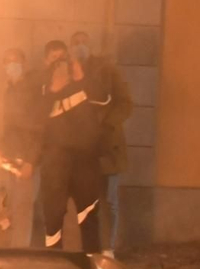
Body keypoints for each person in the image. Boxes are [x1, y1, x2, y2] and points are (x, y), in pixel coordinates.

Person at [38, 39, 110, 253]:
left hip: (84, 163)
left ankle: (93, 264)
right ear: (45, 62)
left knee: (88, 214)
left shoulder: (84, 83)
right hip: (54, 163)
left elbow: (105, 99)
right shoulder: (40, 87)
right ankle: (54, 264)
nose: (59, 64)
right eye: (54, 60)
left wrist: (80, 77)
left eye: (63, 59)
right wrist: (53, 90)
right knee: (53, 217)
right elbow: (32, 118)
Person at [70, 31, 134, 254]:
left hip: (108, 148)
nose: (80, 46)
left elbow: (125, 103)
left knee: (109, 201)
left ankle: (109, 249)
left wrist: (105, 124)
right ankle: (89, 248)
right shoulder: (70, 73)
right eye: (75, 43)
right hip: (81, 149)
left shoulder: (107, 71)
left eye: (83, 42)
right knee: (87, 201)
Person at [0, 47, 43, 248]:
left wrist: (31, 162)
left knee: (23, 209)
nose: (11, 66)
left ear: (23, 65)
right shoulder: (10, 90)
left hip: (26, 159)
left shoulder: (32, 92)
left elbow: (40, 130)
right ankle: (15, 249)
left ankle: (20, 252)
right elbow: (9, 128)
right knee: (14, 209)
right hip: (12, 158)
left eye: (15, 62)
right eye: (8, 62)